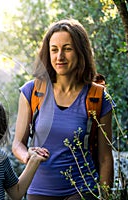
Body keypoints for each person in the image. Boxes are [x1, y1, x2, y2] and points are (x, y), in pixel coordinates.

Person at [12, 19, 114, 200]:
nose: (59, 56)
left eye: (67, 49)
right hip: (39, 191)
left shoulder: (98, 97)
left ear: (80, 52)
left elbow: (105, 158)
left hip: (82, 190)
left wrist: (106, 197)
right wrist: (29, 156)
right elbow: (17, 145)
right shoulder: (32, 92)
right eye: (54, 49)